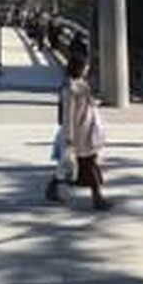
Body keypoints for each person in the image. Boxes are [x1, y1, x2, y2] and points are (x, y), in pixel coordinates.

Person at [45, 53, 112, 211]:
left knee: (70, 165)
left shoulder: (82, 84)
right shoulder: (69, 88)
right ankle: (97, 198)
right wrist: (68, 137)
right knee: (88, 165)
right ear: (78, 67)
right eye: (85, 66)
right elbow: (67, 115)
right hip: (78, 133)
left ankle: (52, 187)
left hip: (88, 130)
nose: (87, 68)